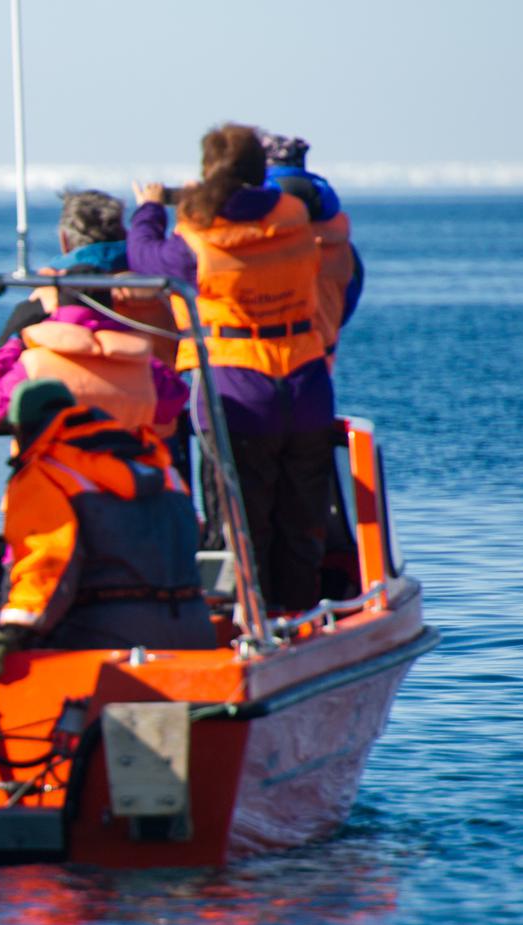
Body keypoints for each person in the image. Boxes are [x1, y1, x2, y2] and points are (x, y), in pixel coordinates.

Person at [127, 122, 332, 612]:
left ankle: (247, 620)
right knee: (302, 522)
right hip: (305, 382)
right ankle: (299, 619)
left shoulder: (196, 238)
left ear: (207, 173)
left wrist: (151, 208)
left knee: (238, 522)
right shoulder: (295, 214)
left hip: (235, 390)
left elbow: (145, 257)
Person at [0, 380, 216, 680]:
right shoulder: (160, 467)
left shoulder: (45, 474)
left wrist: (15, 630)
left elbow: (48, 561)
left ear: (20, 430)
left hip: (107, 640)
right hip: (195, 631)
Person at [0, 190, 187, 437]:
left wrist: (16, 345)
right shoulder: (166, 292)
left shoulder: (42, 303)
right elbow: (177, 389)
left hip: (55, 445)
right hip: (150, 442)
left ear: (64, 240)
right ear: (124, 233)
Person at [263, 133, 362, 365]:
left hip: (259, 359)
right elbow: (348, 300)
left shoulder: (257, 234)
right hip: (318, 359)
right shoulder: (340, 243)